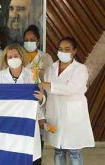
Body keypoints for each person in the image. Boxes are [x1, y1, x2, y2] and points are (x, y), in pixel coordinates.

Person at [38, 37, 95, 165]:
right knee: (58, 151)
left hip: (73, 118)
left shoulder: (80, 69)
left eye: (67, 49)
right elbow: (45, 95)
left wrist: (49, 85)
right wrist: (42, 112)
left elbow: (71, 89)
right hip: (54, 116)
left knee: (74, 152)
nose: (63, 52)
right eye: (60, 49)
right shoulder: (50, 69)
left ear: (74, 51)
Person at [0, 43, 44, 165]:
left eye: (15, 55)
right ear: (6, 59)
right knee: (10, 157)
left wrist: (42, 99)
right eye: (9, 57)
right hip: (7, 123)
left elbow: (40, 100)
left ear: (22, 57)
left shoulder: (32, 74)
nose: (13, 59)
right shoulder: (0, 76)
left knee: (29, 158)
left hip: (28, 122)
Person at [23, 24, 53, 165]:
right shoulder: (19, 55)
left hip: (40, 100)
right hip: (23, 102)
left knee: (37, 137)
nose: (29, 42)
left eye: (32, 39)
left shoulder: (46, 58)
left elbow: (49, 81)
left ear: (38, 41)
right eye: (26, 39)